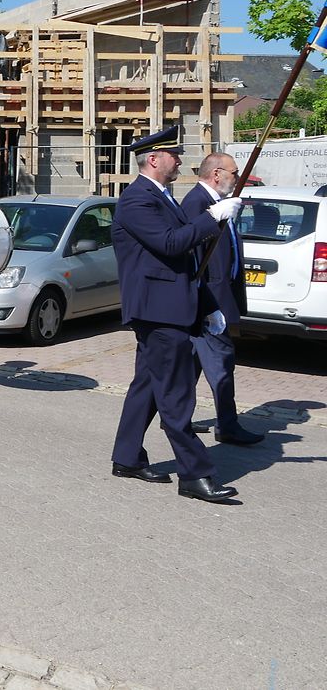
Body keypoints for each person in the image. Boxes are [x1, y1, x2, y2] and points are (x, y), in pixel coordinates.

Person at [110, 125, 243, 503]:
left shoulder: (163, 197)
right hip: (158, 311)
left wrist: (207, 307)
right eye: (175, 155)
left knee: (149, 386)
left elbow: (188, 260)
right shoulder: (137, 200)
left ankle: (127, 457)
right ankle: (194, 474)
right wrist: (213, 216)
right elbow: (171, 244)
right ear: (154, 159)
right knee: (176, 395)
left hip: (170, 307)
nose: (181, 161)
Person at [181, 152, 265, 446]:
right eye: (234, 172)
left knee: (191, 365)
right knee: (222, 362)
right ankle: (227, 425)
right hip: (208, 301)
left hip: (216, 297)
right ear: (216, 173)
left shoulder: (217, 202)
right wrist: (205, 304)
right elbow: (193, 257)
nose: (237, 177)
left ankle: (178, 418)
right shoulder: (197, 203)